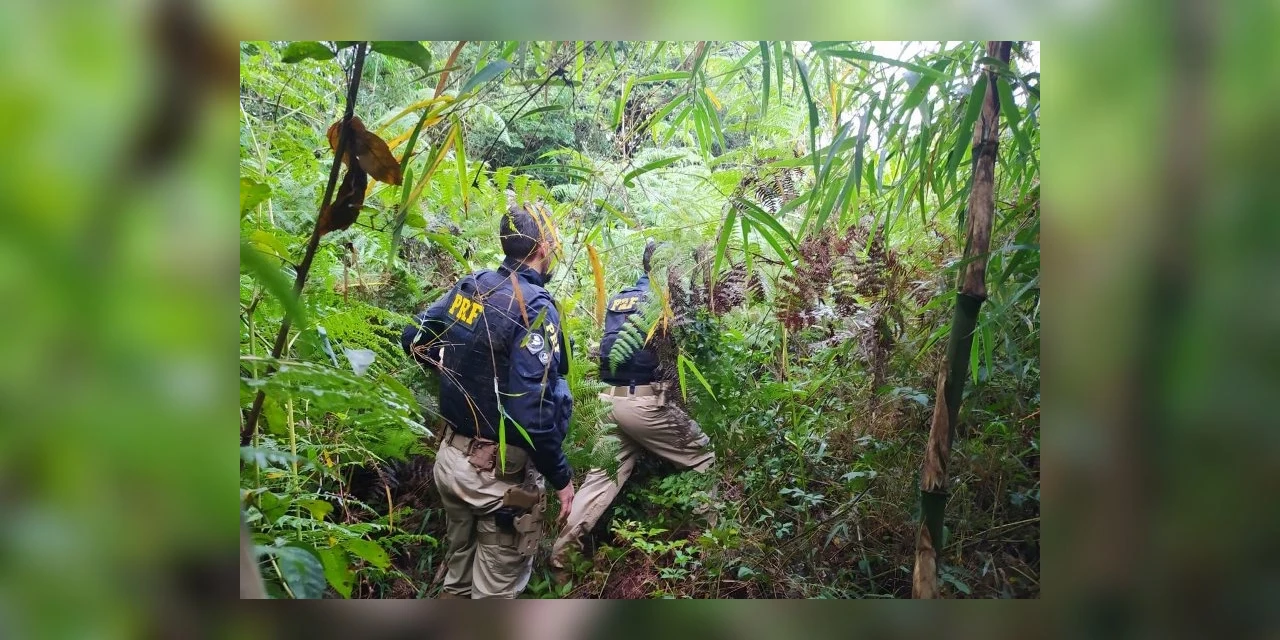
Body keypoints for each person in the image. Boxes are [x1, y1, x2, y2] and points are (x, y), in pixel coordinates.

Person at [401, 202, 576, 599]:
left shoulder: (472, 284)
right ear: (544, 246)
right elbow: (531, 411)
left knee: (458, 580)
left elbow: (412, 340)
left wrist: (456, 374)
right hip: (496, 479)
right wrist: (562, 478)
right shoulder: (535, 307)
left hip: (450, 461)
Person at [550, 240, 715, 573]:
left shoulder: (620, 297)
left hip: (609, 403)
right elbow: (686, 349)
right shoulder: (664, 299)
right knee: (704, 457)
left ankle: (559, 561)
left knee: (599, 483)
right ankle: (714, 546)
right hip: (644, 404)